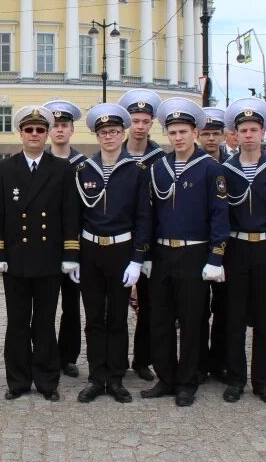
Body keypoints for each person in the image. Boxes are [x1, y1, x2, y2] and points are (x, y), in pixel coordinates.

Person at [142, 98, 229, 408]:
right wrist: (147, 254)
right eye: (172, 132)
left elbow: (220, 216)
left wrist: (215, 258)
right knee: (160, 319)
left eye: (183, 131)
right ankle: (165, 376)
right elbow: (149, 214)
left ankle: (187, 380)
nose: (177, 137)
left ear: (195, 132)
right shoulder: (158, 168)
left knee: (193, 321)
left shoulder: (210, 169)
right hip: (164, 254)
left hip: (194, 255)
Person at [0, 106, 80, 401]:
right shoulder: (6, 168)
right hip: (15, 258)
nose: (35, 135)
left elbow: (70, 214)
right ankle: (17, 381)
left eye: (41, 130)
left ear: (48, 133)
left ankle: (47, 381)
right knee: (16, 323)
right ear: (21, 133)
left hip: (48, 259)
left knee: (44, 323)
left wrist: (70, 253)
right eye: (29, 130)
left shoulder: (62, 169)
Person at [73, 104, 151, 404]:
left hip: (122, 250)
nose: (109, 137)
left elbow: (144, 217)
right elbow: (76, 217)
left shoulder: (137, 171)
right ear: (97, 136)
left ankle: (116, 378)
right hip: (91, 250)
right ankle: (96, 377)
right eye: (104, 133)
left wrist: (137, 259)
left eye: (115, 132)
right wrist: (75, 255)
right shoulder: (84, 170)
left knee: (118, 318)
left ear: (123, 134)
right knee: (93, 318)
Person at [220, 98, 266, 405]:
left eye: (253, 129)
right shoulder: (225, 171)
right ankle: (236, 379)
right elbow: (219, 216)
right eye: (243, 130)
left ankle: (262, 381)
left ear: (263, 133)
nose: (248, 135)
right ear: (235, 135)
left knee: (264, 320)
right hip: (236, 248)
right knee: (234, 318)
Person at [117, 89, 164, 384]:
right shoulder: (114, 154)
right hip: (120, 239)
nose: (140, 126)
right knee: (116, 304)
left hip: (152, 240)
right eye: (135, 120)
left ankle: (143, 359)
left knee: (149, 303)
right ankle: (117, 359)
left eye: (145, 120)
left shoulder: (161, 157)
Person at [43, 99, 87, 379]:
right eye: (55, 125)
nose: (60, 130)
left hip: (75, 246)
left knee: (71, 306)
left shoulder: (85, 165)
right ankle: (47, 354)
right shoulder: (40, 162)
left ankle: (68, 356)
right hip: (46, 246)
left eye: (64, 125)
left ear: (72, 130)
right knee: (46, 305)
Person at [197, 106, 230, 383]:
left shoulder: (230, 167)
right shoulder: (195, 166)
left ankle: (219, 361)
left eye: (215, 133)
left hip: (227, 249)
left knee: (224, 309)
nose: (210, 139)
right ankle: (198, 362)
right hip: (196, 249)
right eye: (206, 133)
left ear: (223, 136)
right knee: (197, 310)